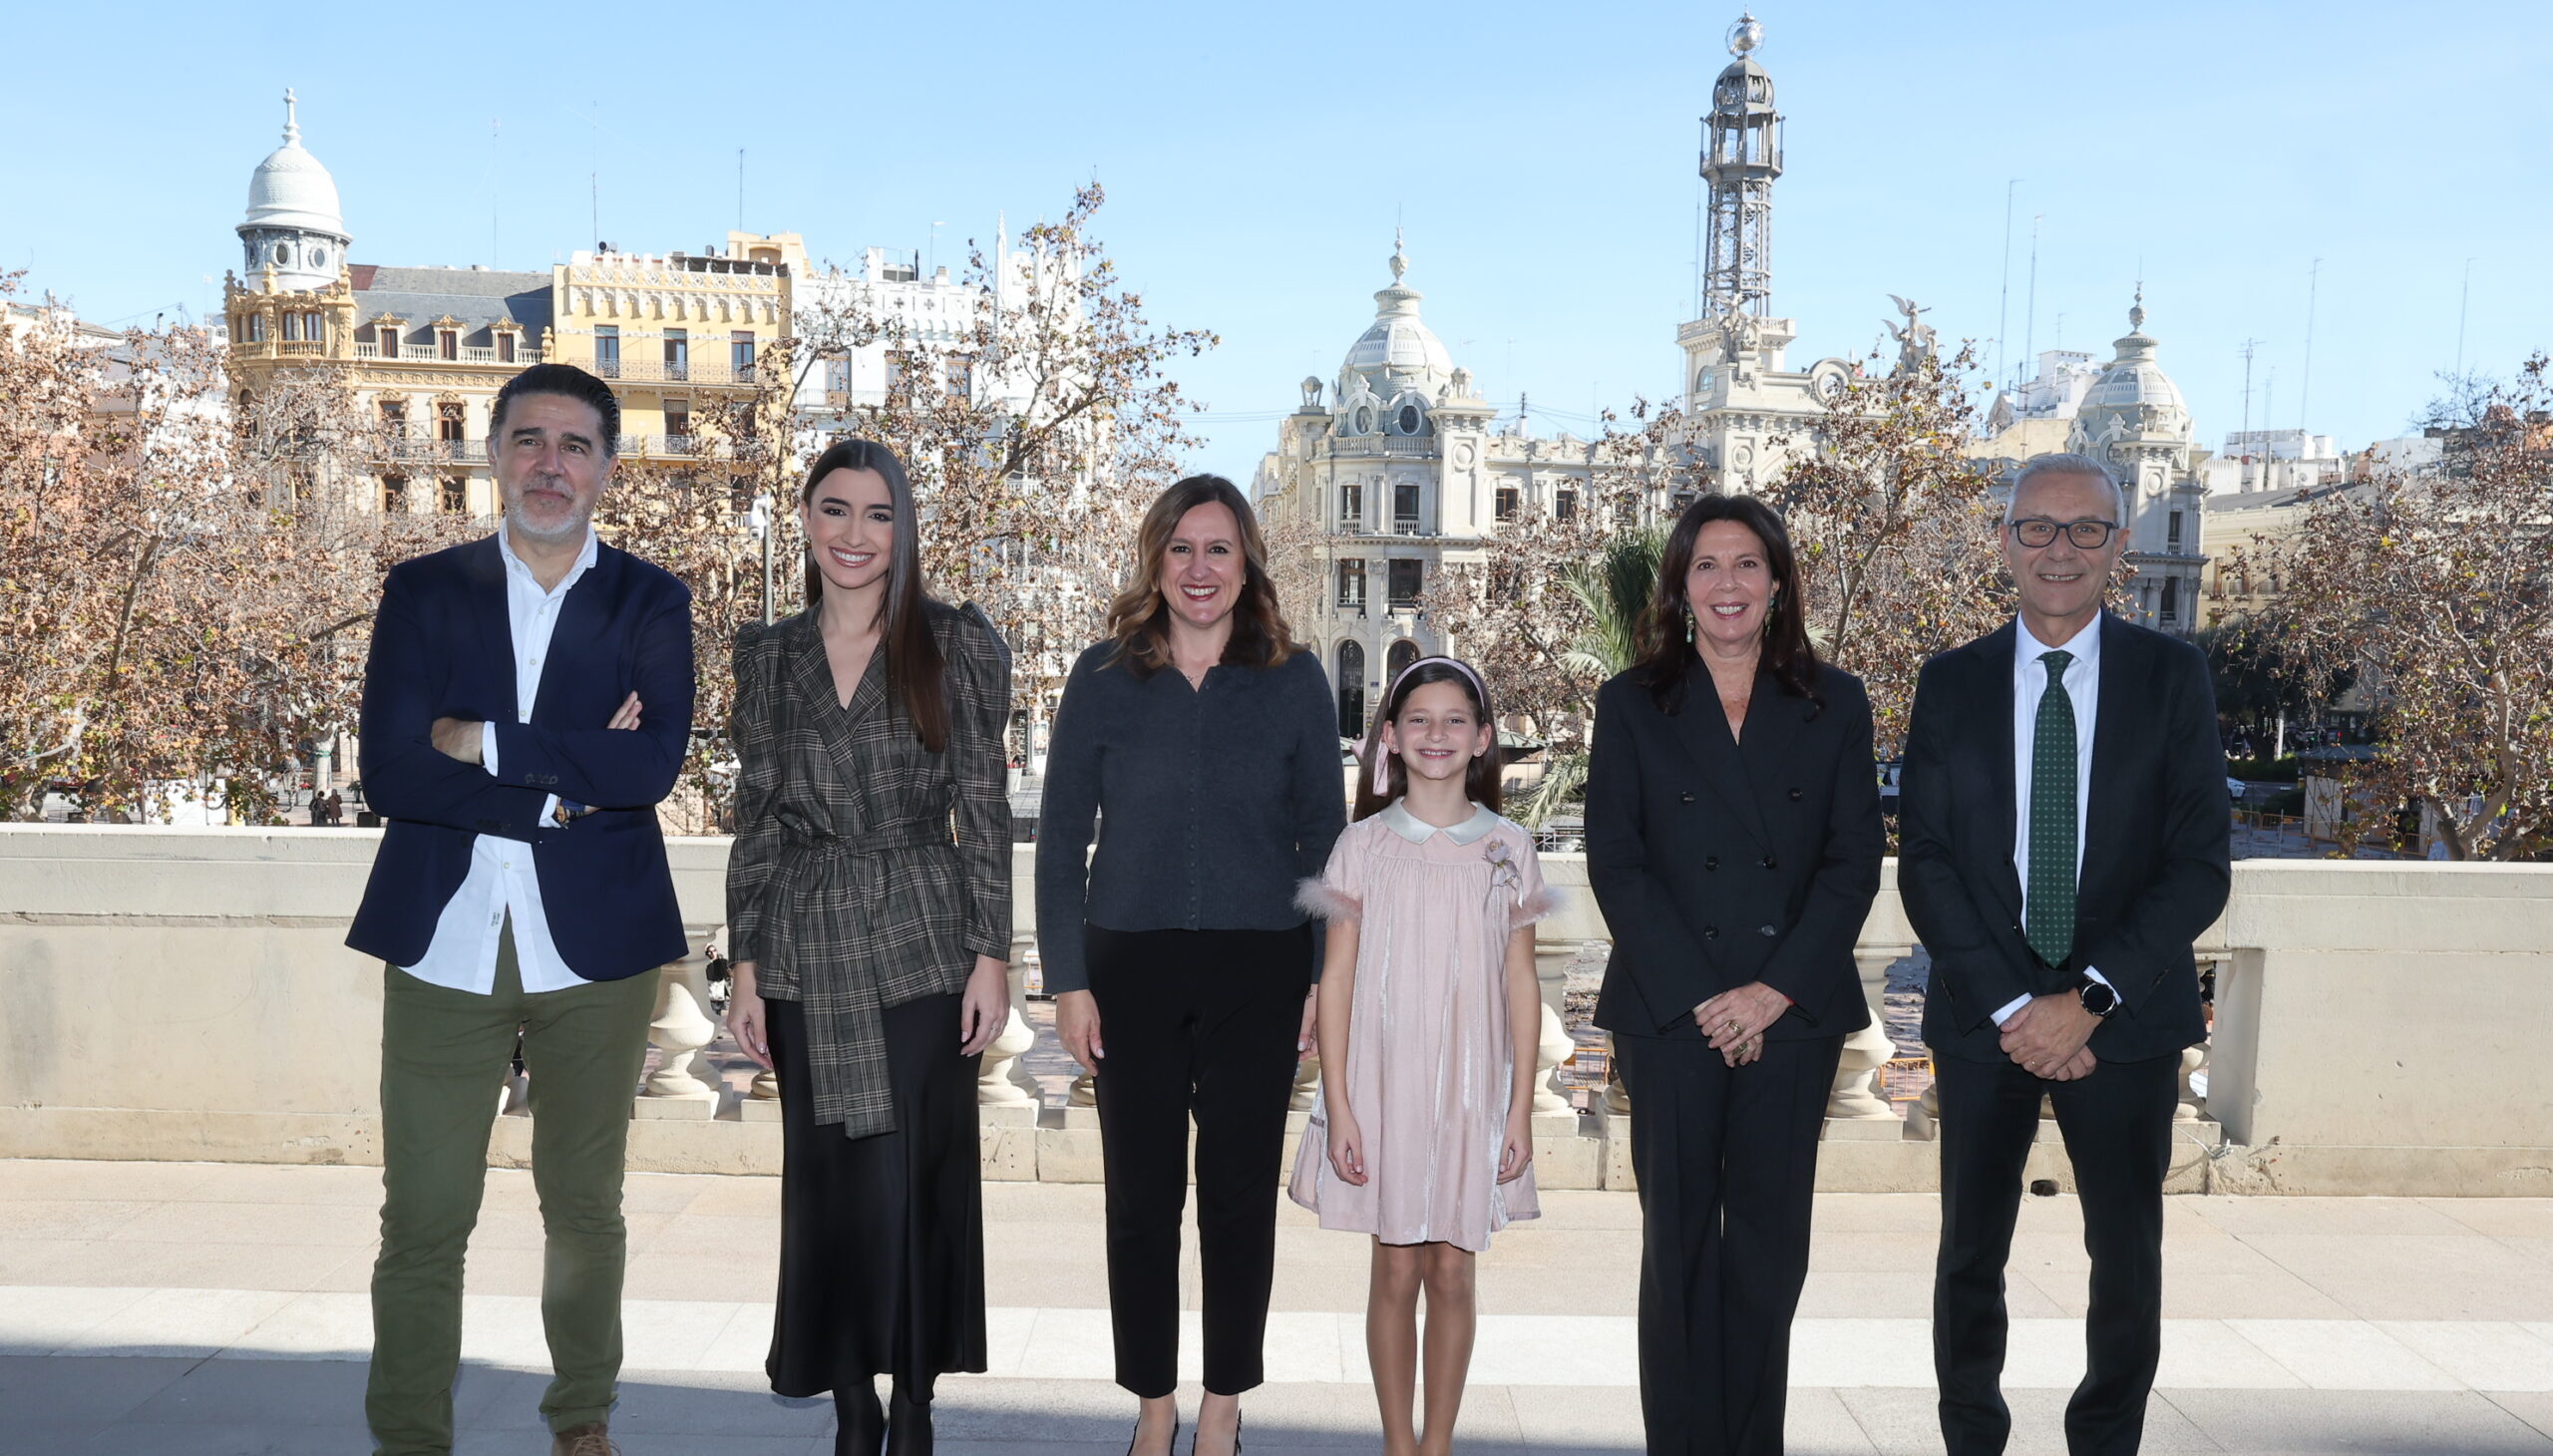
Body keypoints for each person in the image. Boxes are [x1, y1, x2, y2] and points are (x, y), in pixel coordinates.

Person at [345, 362, 696, 1456]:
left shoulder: (652, 599)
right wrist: (562, 784)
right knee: (425, 1218)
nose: (552, 463)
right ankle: (409, 1435)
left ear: (607, 466)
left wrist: (483, 739)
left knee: (585, 1208)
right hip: (444, 937)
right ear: (493, 454)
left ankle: (580, 1418)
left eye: (576, 443)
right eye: (530, 440)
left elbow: (652, 766)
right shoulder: (424, 591)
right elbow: (390, 775)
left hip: (598, 947)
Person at [1900, 452, 2229, 1456]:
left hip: (2123, 1018)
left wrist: (2083, 998)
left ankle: (2104, 1442)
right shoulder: (1948, 683)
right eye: (2038, 526)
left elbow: (2198, 867)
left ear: (2118, 548)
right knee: (1968, 1255)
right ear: (2003, 541)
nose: (2059, 548)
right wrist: (2013, 1005)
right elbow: (1927, 863)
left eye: (2086, 528)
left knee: (2125, 1255)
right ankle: (1971, 1437)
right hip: (1981, 1013)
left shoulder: (2174, 678)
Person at [1035, 474, 1344, 1456]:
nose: (1199, 568)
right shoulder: (1099, 677)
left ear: (1246, 559)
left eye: (1218, 548)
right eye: (1180, 548)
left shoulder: (1293, 679)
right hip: (1129, 966)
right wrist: (1068, 978)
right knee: (1140, 1197)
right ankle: (1153, 1403)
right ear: (1154, 560)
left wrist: (1319, 978)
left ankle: (1221, 1404)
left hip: (1261, 967)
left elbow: (1323, 842)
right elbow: (1056, 841)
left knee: (1238, 1198)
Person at [720, 439, 1013, 1456]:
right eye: (834, 509)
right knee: (831, 1183)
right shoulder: (766, 656)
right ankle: (854, 1403)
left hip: (923, 941)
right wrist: (743, 966)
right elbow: (754, 819)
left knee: (917, 1179)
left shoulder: (955, 644)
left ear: (905, 528)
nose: (854, 534)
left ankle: (918, 1404)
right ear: (805, 518)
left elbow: (983, 801)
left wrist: (993, 952)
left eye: (878, 513)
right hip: (805, 939)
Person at [1585, 492, 1884, 1455]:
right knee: (1676, 1249)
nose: (1727, 583)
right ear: (1679, 583)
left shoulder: (1835, 700)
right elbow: (1615, 860)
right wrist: (1706, 994)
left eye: (1747, 563)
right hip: (1672, 1015)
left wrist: (1770, 990)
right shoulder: (1630, 702)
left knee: (1766, 1250)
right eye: (1707, 565)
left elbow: (1854, 862)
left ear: (1778, 580)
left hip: (1790, 1013)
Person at [1288, 654, 1551, 1456]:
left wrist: (1518, 1107)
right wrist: (1339, 1104)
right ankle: (1398, 1445)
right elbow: (1334, 982)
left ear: (1483, 740)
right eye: (1419, 721)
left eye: (1454, 721)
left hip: (1472, 1092)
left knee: (1454, 1270)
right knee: (1396, 1269)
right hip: (1384, 1088)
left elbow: (1521, 980)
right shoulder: (1360, 847)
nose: (1437, 734)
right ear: (1391, 740)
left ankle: (1438, 1444)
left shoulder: (1510, 848)